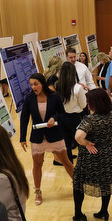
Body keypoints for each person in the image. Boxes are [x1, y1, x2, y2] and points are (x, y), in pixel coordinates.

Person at [19, 73, 74, 205]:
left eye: (35, 84)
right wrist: (22, 138)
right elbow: (24, 118)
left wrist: (54, 118)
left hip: (54, 134)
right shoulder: (29, 98)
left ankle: (77, 183)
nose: (33, 87)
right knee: (37, 165)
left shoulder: (54, 97)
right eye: (31, 84)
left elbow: (62, 113)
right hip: (38, 137)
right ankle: (37, 191)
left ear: (42, 83)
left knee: (65, 161)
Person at [72, 88, 112, 221]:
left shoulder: (90, 119)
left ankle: (78, 214)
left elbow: (78, 136)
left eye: (89, 102)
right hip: (108, 152)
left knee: (79, 183)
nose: (88, 104)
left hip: (91, 155)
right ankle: (104, 211)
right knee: (106, 181)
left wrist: (86, 143)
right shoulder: (111, 115)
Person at [56, 61, 87, 165]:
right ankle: (83, 163)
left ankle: (69, 164)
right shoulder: (78, 88)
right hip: (74, 117)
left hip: (61, 117)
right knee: (80, 141)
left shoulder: (57, 85)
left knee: (66, 142)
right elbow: (83, 105)